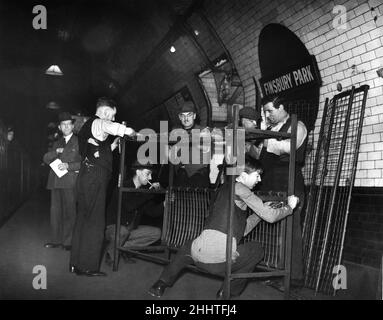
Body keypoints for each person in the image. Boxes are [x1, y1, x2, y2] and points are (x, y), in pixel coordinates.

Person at [148, 157, 299, 299]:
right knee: (256, 249)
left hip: (197, 256)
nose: (259, 180)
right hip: (219, 263)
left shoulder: (221, 190)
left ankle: (159, 284)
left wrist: (259, 214)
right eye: (257, 175)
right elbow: (271, 217)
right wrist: (289, 207)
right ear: (243, 175)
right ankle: (226, 293)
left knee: (189, 245)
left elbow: (242, 229)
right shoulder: (241, 188)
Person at [69, 97, 136, 277]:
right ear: (105, 112)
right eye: (112, 115)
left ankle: (75, 263)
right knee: (96, 221)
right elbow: (110, 127)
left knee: (83, 218)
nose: (113, 118)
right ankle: (88, 266)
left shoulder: (88, 127)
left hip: (85, 176)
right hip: (95, 178)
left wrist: (111, 147)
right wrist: (129, 131)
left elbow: (96, 149)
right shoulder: (99, 121)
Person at [252, 94, 308, 290]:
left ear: (282, 106)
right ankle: (278, 273)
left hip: (290, 183)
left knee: (291, 231)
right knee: (277, 232)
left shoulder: (297, 126)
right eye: (265, 112)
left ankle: (294, 279)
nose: (267, 115)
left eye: (270, 111)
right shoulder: (270, 128)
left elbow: (287, 146)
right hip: (271, 183)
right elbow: (260, 155)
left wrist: (265, 141)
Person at [104, 162, 163, 266]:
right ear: (138, 172)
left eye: (151, 175)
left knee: (156, 233)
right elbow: (129, 206)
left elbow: (152, 212)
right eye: (147, 174)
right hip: (112, 228)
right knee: (122, 231)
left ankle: (123, 248)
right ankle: (111, 254)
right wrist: (149, 194)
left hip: (129, 230)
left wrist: (164, 204)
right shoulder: (123, 186)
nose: (150, 178)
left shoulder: (143, 191)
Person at [43, 112, 81, 250]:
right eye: (63, 125)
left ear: (72, 126)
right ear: (59, 127)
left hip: (70, 182)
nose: (66, 127)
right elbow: (46, 158)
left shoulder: (78, 141)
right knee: (55, 213)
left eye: (68, 124)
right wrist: (56, 152)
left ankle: (68, 242)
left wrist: (68, 166)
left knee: (70, 212)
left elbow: (84, 162)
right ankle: (55, 240)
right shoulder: (56, 142)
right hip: (55, 181)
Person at [171, 100, 210, 188]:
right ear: (179, 117)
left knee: (198, 201)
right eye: (183, 115)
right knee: (180, 201)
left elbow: (206, 148)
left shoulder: (203, 130)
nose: (186, 119)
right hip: (180, 177)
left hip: (199, 177)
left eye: (189, 115)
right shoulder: (175, 131)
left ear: (194, 116)